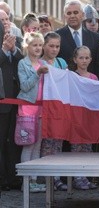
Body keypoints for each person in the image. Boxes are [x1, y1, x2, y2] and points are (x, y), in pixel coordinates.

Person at [17, 32, 49, 194]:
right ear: (27, 46)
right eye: (34, 45)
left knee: (38, 146)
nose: (37, 48)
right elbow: (25, 86)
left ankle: (34, 181)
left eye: (39, 45)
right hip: (28, 110)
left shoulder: (44, 63)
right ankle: (26, 182)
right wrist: (37, 74)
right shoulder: (23, 64)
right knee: (28, 145)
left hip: (42, 111)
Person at [40, 32, 68, 191]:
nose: (54, 49)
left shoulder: (61, 62)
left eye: (57, 46)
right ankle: (45, 176)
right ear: (44, 45)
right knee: (46, 142)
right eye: (51, 46)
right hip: (45, 108)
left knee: (58, 142)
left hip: (59, 108)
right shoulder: (39, 62)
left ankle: (56, 177)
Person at [0, 10, 23, 191]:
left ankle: (14, 178)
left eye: (7, 19)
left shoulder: (17, 40)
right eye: (2, 20)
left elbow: (23, 63)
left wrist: (13, 49)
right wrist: (4, 50)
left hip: (15, 100)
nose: (5, 23)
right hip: (2, 101)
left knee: (14, 142)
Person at [69, 46, 98, 191]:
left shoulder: (93, 77)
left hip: (88, 119)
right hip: (75, 119)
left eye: (87, 58)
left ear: (91, 59)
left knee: (87, 148)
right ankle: (76, 177)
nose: (84, 60)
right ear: (75, 59)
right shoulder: (71, 76)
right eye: (81, 57)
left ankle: (85, 176)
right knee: (76, 148)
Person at [57, 0, 99, 79]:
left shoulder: (94, 37)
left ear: (83, 15)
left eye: (75, 12)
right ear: (64, 16)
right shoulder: (58, 36)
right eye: (69, 13)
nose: (72, 16)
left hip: (89, 85)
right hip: (66, 85)